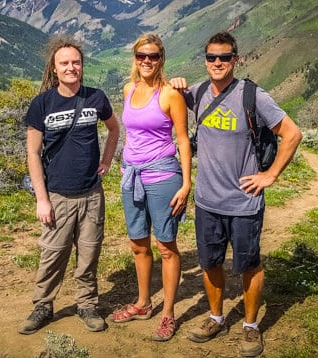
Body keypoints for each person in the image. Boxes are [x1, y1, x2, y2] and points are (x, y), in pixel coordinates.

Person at [169, 31, 302, 357]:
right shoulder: (198, 92)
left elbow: (292, 133)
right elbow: (168, 100)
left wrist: (270, 175)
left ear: (235, 59)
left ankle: (251, 326)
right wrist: (174, 83)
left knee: (249, 265)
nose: (217, 63)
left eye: (224, 57)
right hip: (207, 201)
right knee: (210, 263)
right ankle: (216, 317)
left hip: (244, 202)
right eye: (212, 57)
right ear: (205, 59)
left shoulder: (252, 96)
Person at [19, 34, 120, 335]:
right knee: (53, 253)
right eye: (64, 63)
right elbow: (33, 153)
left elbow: (114, 128)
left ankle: (87, 304)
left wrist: (107, 160)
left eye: (76, 62)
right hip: (58, 194)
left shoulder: (96, 97)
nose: (71, 67)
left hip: (91, 194)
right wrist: (42, 199)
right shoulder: (42, 104)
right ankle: (43, 305)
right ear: (54, 67)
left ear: (82, 66)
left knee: (89, 253)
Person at [112, 34, 191, 341]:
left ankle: (169, 313)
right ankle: (144, 303)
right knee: (138, 244)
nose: (147, 60)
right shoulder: (128, 90)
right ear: (135, 57)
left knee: (166, 246)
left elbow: (182, 139)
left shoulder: (170, 94)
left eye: (153, 56)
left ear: (162, 59)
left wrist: (186, 183)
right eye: (142, 55)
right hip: (132, 177)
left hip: (162, 176)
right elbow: (131, 133)